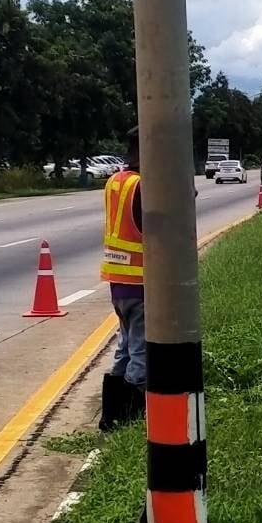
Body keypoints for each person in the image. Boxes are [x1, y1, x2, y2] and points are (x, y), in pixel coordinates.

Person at [99, 127, 146, 429]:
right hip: (141, 282)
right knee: (140, 350)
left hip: (118, 282)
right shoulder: (142, 185)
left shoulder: (115, 181)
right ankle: (130, 415)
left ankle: (110, 414)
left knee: (125, 346)